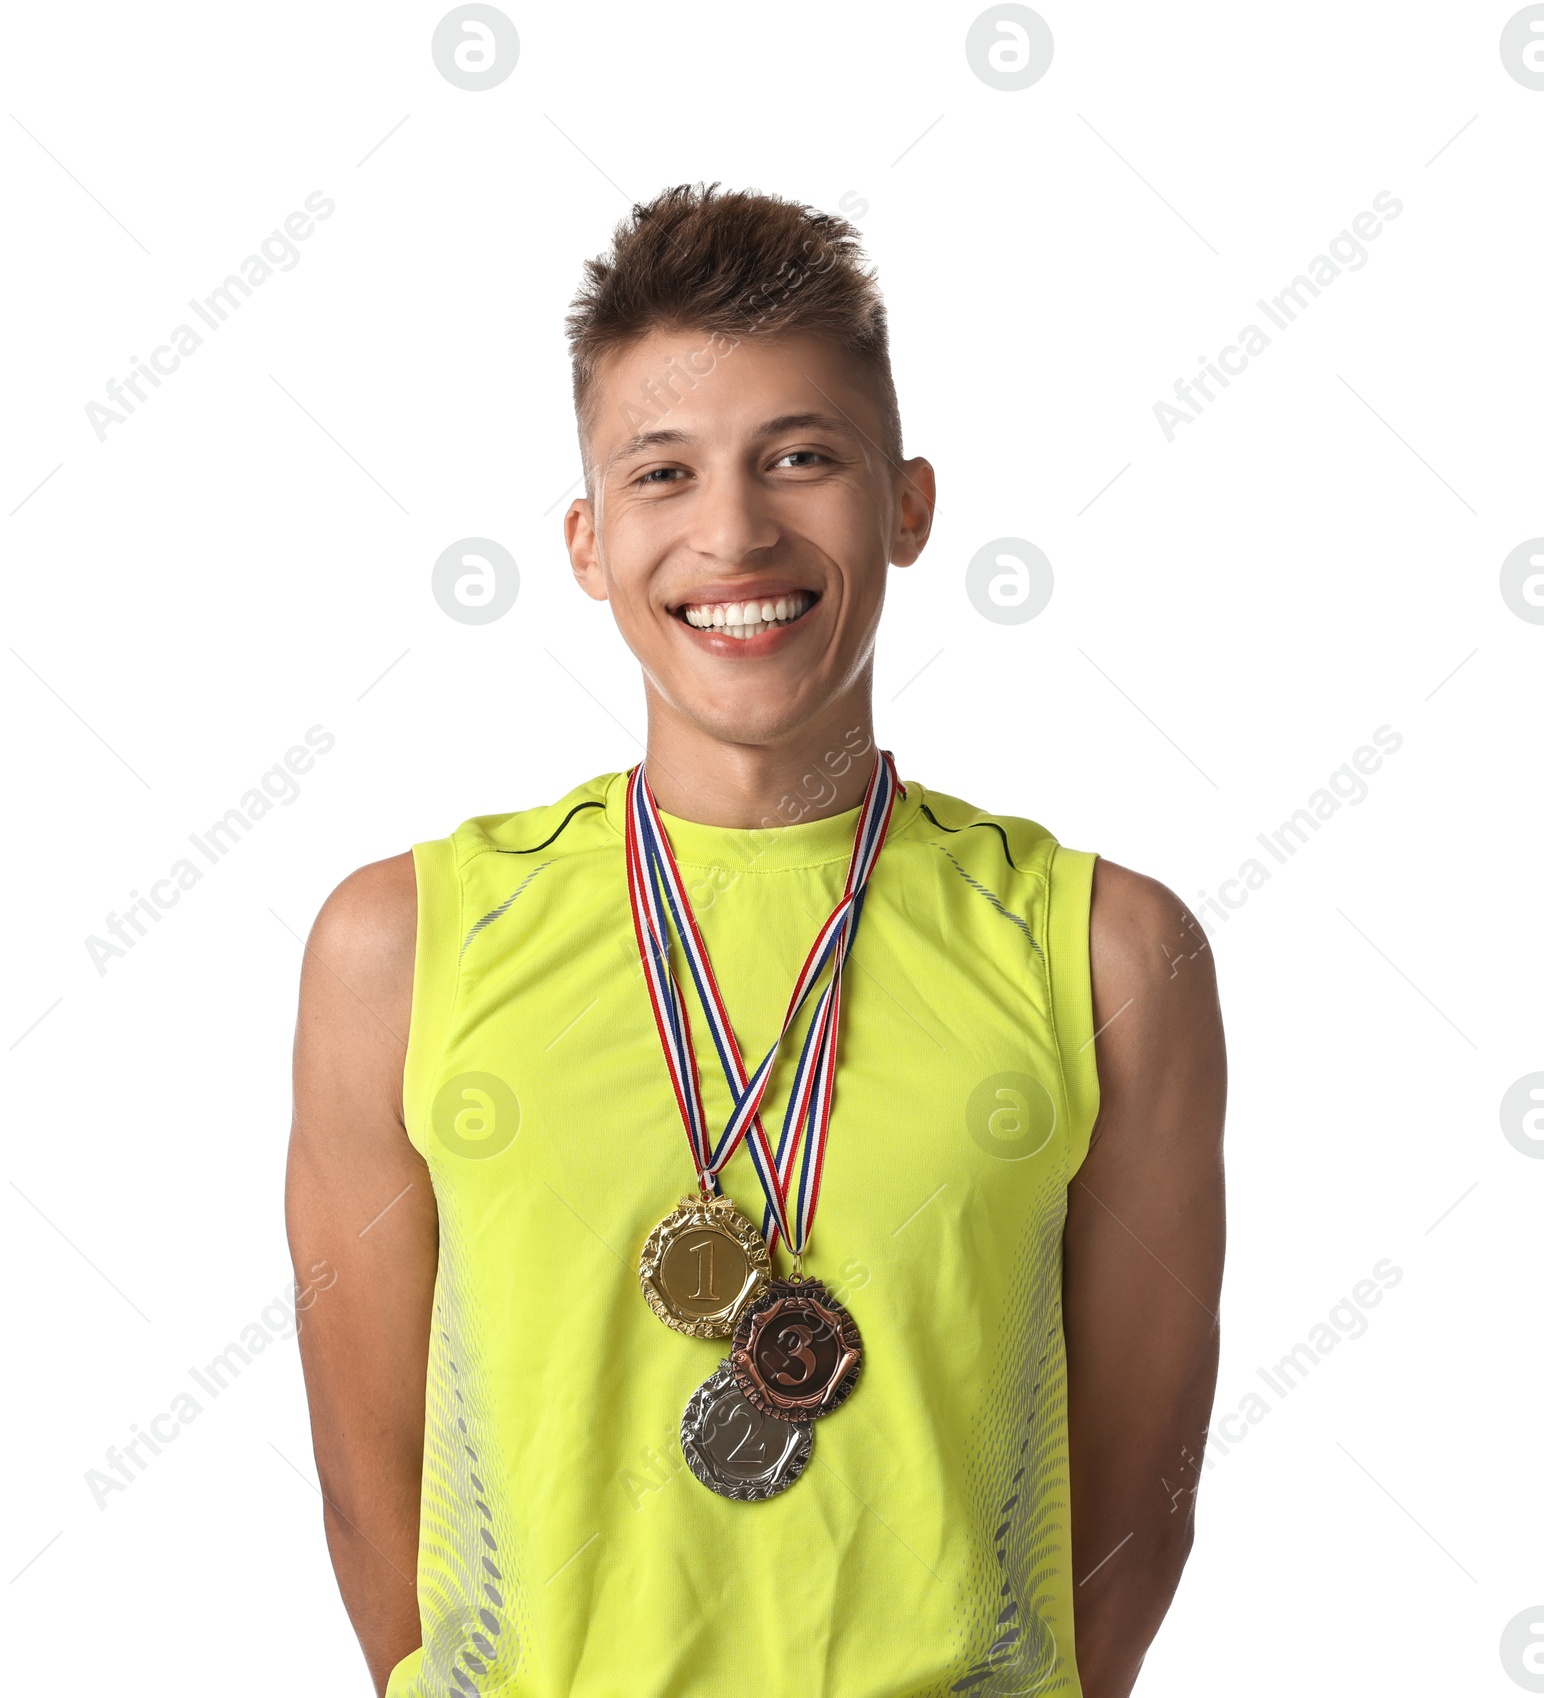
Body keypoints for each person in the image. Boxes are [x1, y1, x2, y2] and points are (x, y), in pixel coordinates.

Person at [284, 183, 1227, 1698]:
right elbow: (363, 1483)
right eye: (665, 472)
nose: (734, 529)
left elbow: (1137, 1510)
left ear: (907, 504)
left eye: (801, 456)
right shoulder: (398, 947)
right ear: (589, 542)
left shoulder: (1109, 954)